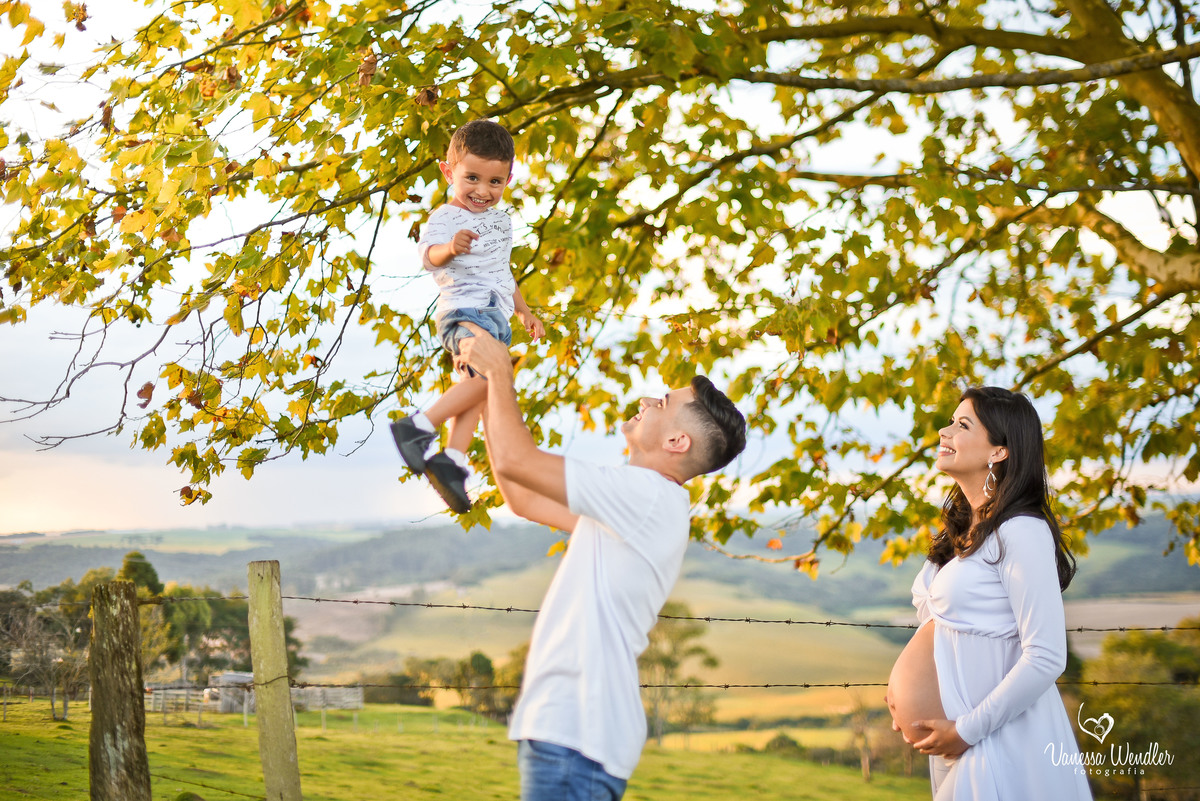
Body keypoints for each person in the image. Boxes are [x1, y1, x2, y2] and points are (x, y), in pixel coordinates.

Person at [455, 321, 747, 801]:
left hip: (578, 736)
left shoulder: (646, 495)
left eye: (664, 403)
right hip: (571, 736)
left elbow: (516, 463)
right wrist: (487, 387)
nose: (650, 399)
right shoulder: (641, 503)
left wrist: (501, 375)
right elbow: (522, 497)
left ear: (677, 443)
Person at [890, 386, 1092, 801]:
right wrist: (911, 701)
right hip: (957, 741)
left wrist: (966, 730)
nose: (944, 432)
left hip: (997, 739)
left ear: (999, 451)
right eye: (950, 421)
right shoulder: (962, 531)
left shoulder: (1022, 531)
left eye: (962, 425)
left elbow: (1048, 656)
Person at [390, 119, 544, 514]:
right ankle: (418, 427)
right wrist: (450, 249)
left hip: (497, 314)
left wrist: (525, 312)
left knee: (480, 384)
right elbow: (428, 257)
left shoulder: (501, 222)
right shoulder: (445, 217)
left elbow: (501, 272)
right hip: (464, 310)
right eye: (472, 177)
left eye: (495, 182)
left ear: (509, 178)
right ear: (448, 172)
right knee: (495, 375)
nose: (482, 191)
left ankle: (452, 462)